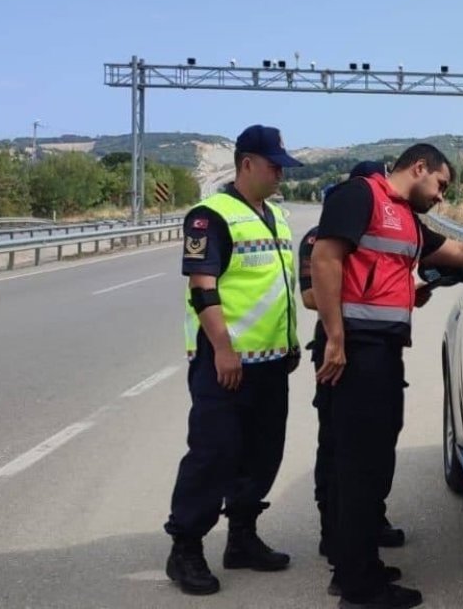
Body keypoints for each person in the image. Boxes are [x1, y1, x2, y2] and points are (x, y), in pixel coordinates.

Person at [311, 143, 463, 609]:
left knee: (369, 463)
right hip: (355, 352)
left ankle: (356, 566)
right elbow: (324, 259)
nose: (441, 197)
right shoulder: (360, 196)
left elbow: (452, 250)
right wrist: (336, 337)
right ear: (418, 168)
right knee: (359, 466)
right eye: (440, 184)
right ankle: (359, 589)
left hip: (376, 353)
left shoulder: (402, 215)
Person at [164, 124, 304, 596]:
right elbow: (203, 289)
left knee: (262, 454)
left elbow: (277, 288)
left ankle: (242, 538)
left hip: (270, 363)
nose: (280, 173)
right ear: (246, 163)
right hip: (225, 364)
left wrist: (289, 344)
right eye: (273, 165)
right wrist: (223, 349)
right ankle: (185, 549)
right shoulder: (210, 216)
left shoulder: (277, 216)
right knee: (214, 454)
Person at [298, 161, 413, 567]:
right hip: (337, 349)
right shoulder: (318, 238)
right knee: (338, 447)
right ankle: (335, 537)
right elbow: (312, 295)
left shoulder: (387, 228)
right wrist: (344, 320)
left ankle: (365, 525)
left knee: (371, 450)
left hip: (365, 347)